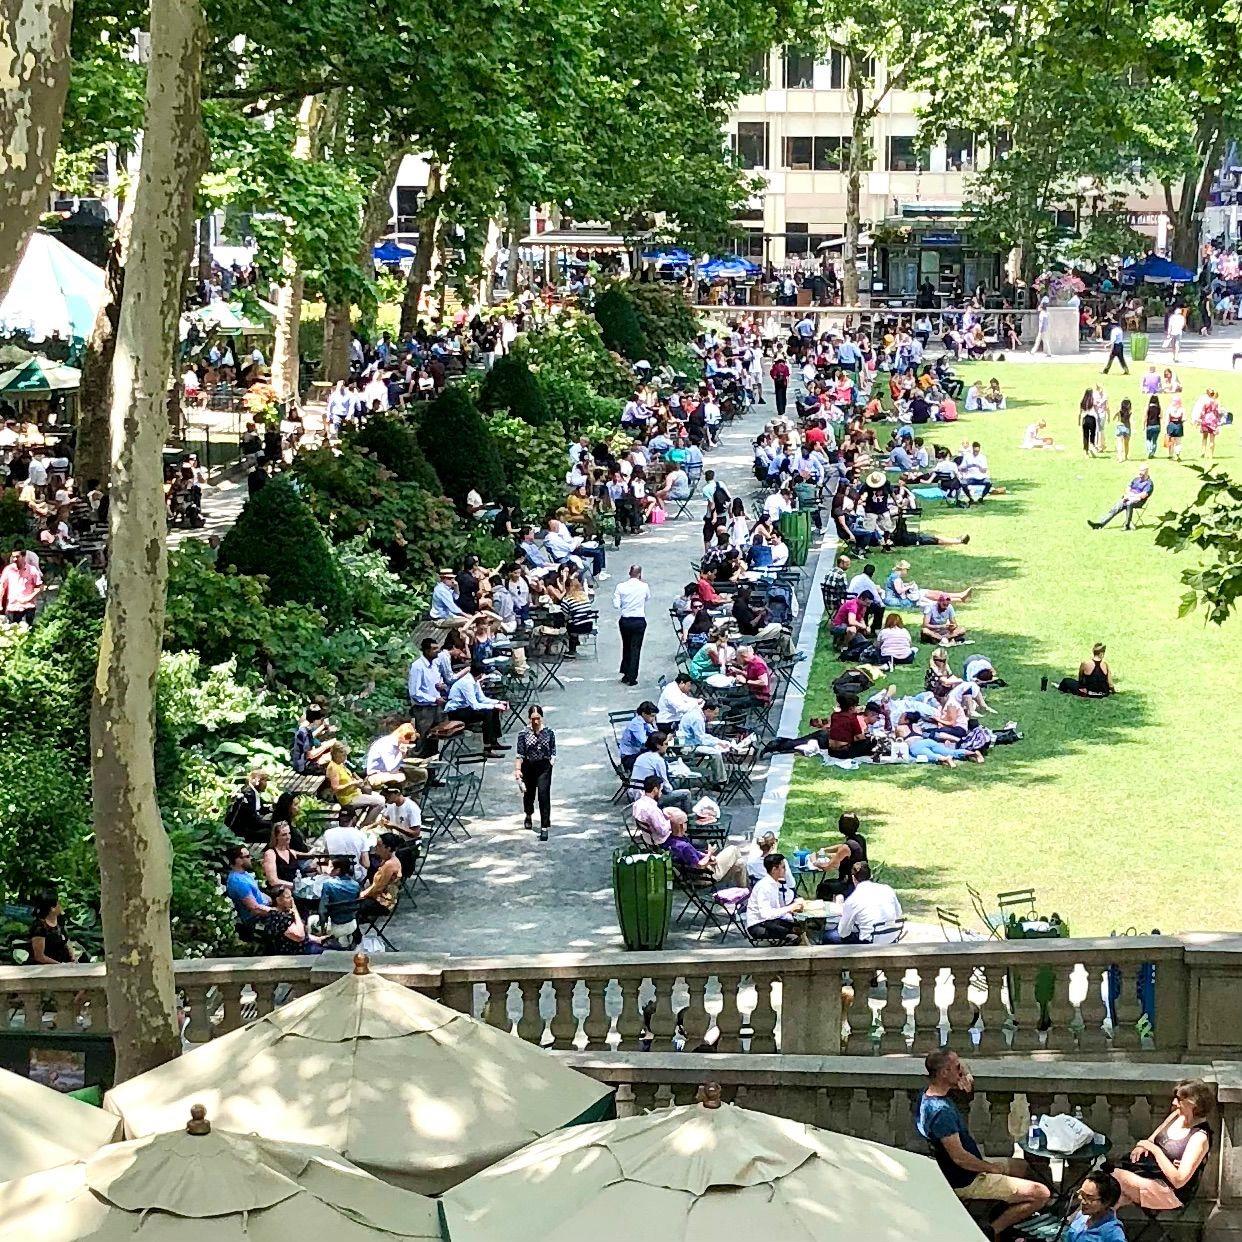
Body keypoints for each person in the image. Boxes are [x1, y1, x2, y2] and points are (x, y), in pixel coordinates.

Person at [918, 1049, 1051, 1238]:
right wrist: (990, 1168)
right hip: (967, 1179)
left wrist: (964, 1073)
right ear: (944, 1073)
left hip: (965, 1168)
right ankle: (991, 1231)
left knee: (1022, 1166)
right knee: (1042, 1194)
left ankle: (1006, 1210)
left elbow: (957, 1070)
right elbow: (960, 1158)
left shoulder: (928, 1095)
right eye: (957, 1067)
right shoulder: (941, 1113)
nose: (961, 1070)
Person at [1111, 1078, 1213, 1212]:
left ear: (1193, 1104)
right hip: (1146, 1173)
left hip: (1169, 1192)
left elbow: (1179, 1181)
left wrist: (1155, 1150)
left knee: (1111, 1179)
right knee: (1108, 1192)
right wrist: (1142, 1147)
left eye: (1179, 1099)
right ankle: (1098, 1221)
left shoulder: (1199, 1138)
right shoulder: (1177, 1115)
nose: (1174, 1103)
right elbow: (1151, 1140)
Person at [823, 861, 902, 943]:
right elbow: (898, 913)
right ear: (870, 876)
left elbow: (843, 933)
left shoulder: (852, 900)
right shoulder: (887, 889)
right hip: (892, 937)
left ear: (853, 878)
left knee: (828, 936)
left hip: (870, 941)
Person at [514, 704, 556, 841]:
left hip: (544, 766)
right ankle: (528, 814)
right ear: (529, 719)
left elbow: (553, 749)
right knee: (529, 794)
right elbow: (520, 754)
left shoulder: (549, 732)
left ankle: (544, 826)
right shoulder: (523, 734)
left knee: (544, 795)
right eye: (533, 718)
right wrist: (518, 770)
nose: (536, 721)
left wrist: (551, 761)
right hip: (528, 765)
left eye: (538, 718)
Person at [745, 852, 803, 942]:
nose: (785, 870)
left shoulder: (774, 883)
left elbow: (777, 909)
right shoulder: (765, 886)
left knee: (799, 926)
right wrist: (790, 908)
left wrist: (792, 910)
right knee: (793, 933)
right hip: (758, 925)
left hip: (769, 921)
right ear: (774, 869)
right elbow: (766, 914)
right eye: (783, 867)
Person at [629, 732, 694, 813]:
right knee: (685, 793)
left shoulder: (641, 757)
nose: (667, 747)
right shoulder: (658, 760)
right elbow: (666, 786)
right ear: (658, 745)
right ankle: (688, 817)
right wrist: (673, 788)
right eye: (665, 744)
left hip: (633, 793)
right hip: (647, 797)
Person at [813, 813, 867, 900]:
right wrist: (825, 850)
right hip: (862, 882)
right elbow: (842, 846)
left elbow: (828, 867)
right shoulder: (860, 839)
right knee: (828, 883)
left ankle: (826, 907)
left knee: (823, 887)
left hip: (849, 884)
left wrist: (814, 862)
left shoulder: (846, 848)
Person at [324, 742, 386, 819]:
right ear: (337, 754)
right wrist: (352, 783)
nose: (345, 758)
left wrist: (358, 781)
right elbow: (335, 788)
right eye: (344, 755)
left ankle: (368, 818)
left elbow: (349, 776)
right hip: (347, 798)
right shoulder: (333, 768)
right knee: (380, 803)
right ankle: (365, 823)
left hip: (355, 793)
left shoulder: (340, 764)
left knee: (381, 798)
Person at [224, 844, 273, 940]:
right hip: (257, 919)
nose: (250, 858)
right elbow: (255, 909)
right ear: (238, 860)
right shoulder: (238, 882)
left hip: (265, 909)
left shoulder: (245, 874)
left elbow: (258, 892)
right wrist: (276, 911)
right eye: (247, 856)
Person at [613, 564, 650, 687]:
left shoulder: (621, 586)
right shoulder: (644, 586)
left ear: (629, 573)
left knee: (626, 646)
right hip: (639, 619)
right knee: (636, 648)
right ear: (639, 574)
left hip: (625, 619)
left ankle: (626, 672)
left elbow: (616, 605)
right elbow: (647, 598)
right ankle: (632, 676)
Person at [260, 887, 325, 955]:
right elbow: (300, 936)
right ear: (278, 900)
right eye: (288, 897)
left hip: (305, 945)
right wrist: (295, 911)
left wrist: (318, 939)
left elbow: (304, 936)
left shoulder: (286, 912)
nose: (292, 899)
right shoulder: (279, 917)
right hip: (296, 951)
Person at [357, 833, 404, 925]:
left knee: (350, 907)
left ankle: (355, 931)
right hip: (377, 897)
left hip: (383, 902)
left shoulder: (390, 865)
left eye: (379, 846)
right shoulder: (385, 861)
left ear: (388, 848)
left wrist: (362, 894)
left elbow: (378, 888)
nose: (376, 848)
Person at [1088, 465, 1153, 531]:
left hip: (1138, 501)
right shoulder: (1136, 479)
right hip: (1128, 497)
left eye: (1141, 472)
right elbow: (1128, 487)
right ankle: (1099, 524)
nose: (1139, 474)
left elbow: (1143, 495)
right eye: (1139, 471)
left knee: (1129, 503)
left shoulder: (1149, 483)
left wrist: (1132, 497)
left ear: (1146, 472)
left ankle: (1127, 526)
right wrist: (1127, 495)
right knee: (1117, 507)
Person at [1067, 1172, 1125, 1242]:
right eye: (1082, 1194)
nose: (1083, 1202)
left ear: (1107, 1202)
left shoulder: (1112, 1232)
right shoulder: (1081, 1216)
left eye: (1089, 1198)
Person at [631, 774, 686, 847]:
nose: (661, 793)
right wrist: (671, 821)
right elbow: (663, 831)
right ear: (655, 790)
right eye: (661, 790)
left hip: (647, 836)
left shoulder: (638, 803)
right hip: (660, 840)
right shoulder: (652, 809)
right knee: (680, 824)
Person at [28, 893, 77, 963]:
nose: (61, 906)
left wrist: (72, 955)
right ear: (52, 909)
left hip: (66, 963)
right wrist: (60, 965)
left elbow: (66, 940)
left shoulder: (60, 920)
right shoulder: (40, 927)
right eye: (58, 904)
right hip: (50, 966)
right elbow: (39, 957)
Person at [227, 769, 272, 841]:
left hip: (251, 827)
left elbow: (258, 809)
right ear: (257, 781)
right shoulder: (247, 794)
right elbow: (253, 821)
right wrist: (272, 824)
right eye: (265, 781)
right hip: (244, 833)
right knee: (273, 832)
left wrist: (271, 808)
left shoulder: (254, 793)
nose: (266, 784)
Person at [0, 549, 43, 624]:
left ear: (24, 557)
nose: (14, 559)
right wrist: (0, 604)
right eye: (13, 557)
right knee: (13, 629)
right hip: (13, 606)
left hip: (28, 606)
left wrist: (28, 598)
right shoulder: (8, 570)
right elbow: (2, 587)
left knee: (28, 629)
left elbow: (39, 587)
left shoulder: (32, 570)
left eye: (17, 557)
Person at [261, 822, 304, 894]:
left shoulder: (292, 852)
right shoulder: (270, 854)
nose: (288, 837)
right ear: (276, 836)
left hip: (298, 889)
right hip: (282, 892)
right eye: (284, 835)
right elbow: (273, 881)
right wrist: (296, 885)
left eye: (289, 833)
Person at [291, 704, 335, 775]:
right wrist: (326, 745)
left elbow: (311, 736)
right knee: (332, 758)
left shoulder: (305, 728)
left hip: (303, 763)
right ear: (316, 720)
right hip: (304, 767)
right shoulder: (303, 732)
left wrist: (323, 727)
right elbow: (310, 755)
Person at [619, 701, 659, 769]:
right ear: (644, 714)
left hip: (637, 752)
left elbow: (653, 732)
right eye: (652, 716)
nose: (653, 719)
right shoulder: (636, 724)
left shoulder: (644, 722)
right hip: (629, 757)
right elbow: (644, 742)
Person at [1078, 389, 1099, 457]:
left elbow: (1080, 413)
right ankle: (1092, 445)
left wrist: (1079, 421)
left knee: (1085, 435)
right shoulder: (1093, 401)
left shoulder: (1082, 402)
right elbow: (1096, 410)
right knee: (1092, 434)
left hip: (1085, 419)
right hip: (1092, 418)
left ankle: (1086, 451)